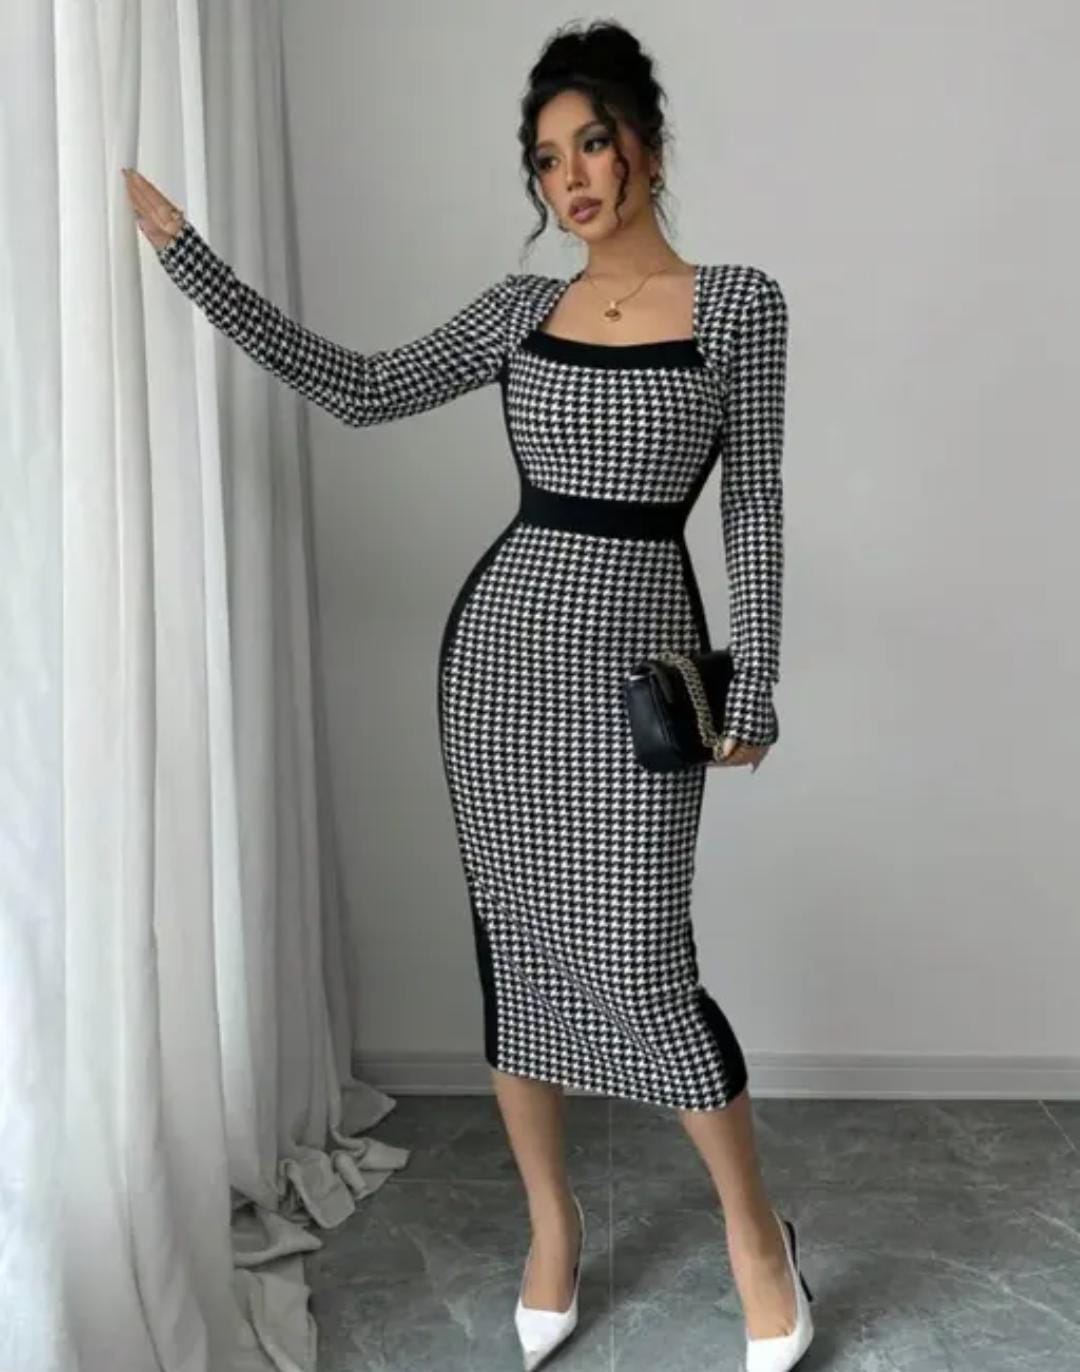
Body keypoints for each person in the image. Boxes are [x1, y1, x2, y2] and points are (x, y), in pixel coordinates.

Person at [124, 19, 812, 1372]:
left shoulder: (741, 304)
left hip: (639, 681)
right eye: (548, 160)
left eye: (593, 144)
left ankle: (756, 1239)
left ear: (647, 147)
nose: (573, 177)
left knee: (645, 962)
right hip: (500, 670)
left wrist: (764, 677)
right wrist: (190, 258)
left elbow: (758, 501)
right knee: (519, 953)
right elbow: (361, 387)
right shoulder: (516, 312)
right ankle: (551, 1225)